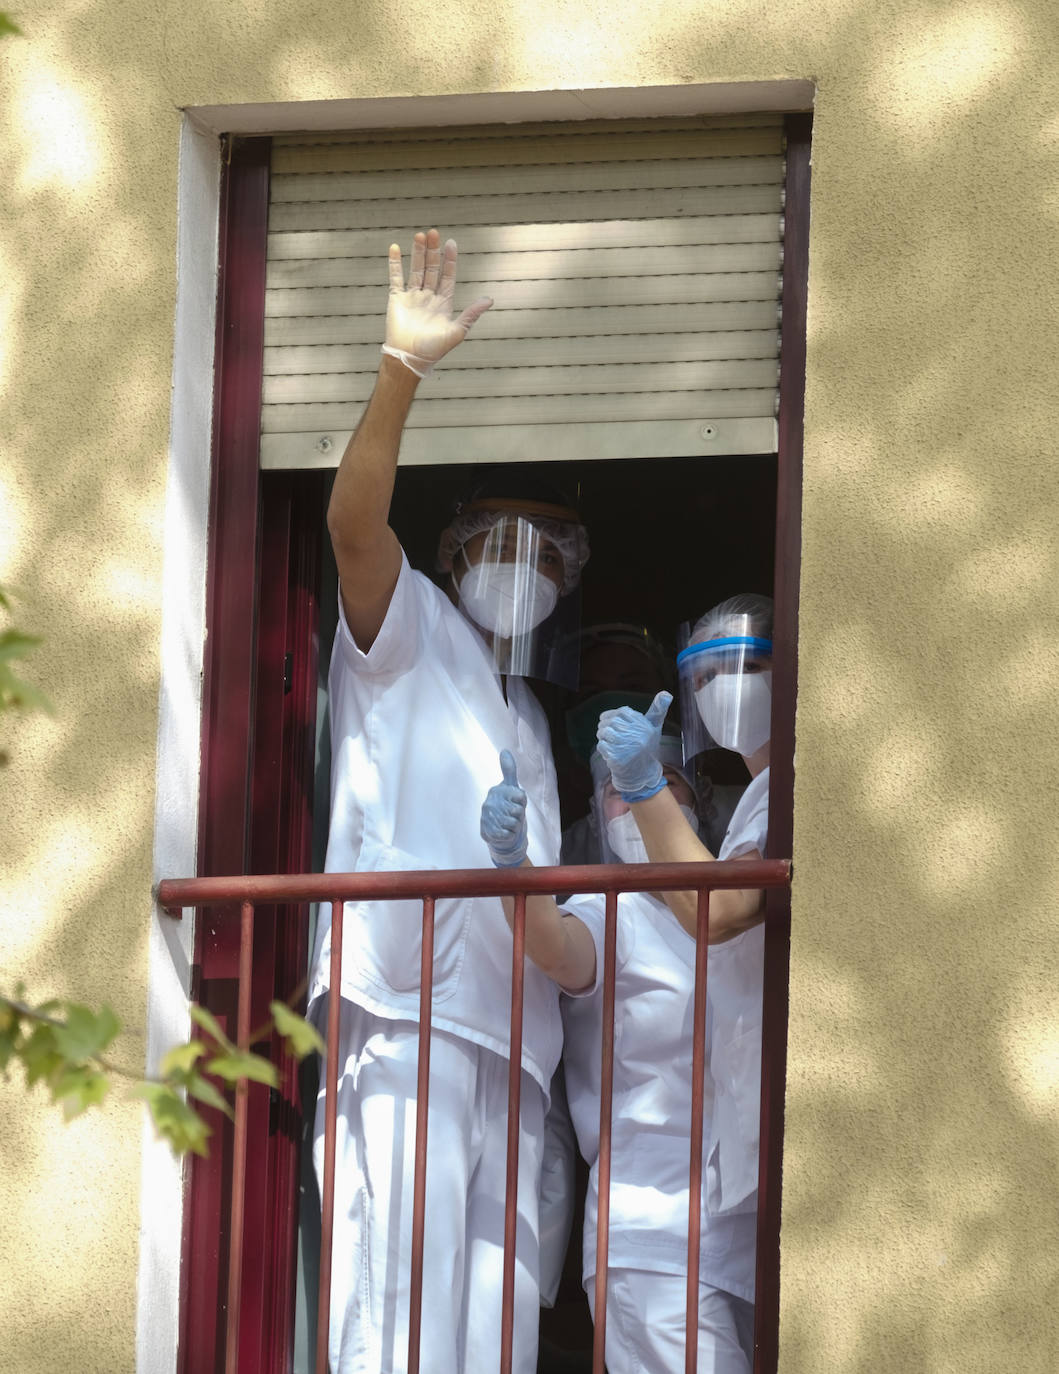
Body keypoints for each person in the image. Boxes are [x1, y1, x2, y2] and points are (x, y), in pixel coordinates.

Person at [307, 228, 589, 1374]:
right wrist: (400, 371)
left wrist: (532, 900)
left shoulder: (532, 728)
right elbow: (349, 527)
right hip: (408, 1023)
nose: (521, 565)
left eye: (548, 554)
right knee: (400, 1327)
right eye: (496, 541)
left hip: (514, 1058)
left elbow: (571, 952)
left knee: (496, 1336)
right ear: (456, 549)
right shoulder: (408, 627)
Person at [479, 704, 766, 1372]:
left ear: (698, 801)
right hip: (650, 1233)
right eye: (618, 787)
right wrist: (511, 867)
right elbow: (554, 949)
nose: (638, 798)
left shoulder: (731, 913)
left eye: (668, 778)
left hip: (741, 1230)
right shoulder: (610, 910)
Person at [593, 593, 775, 1367]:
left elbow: (721, 908)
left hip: (708, 1226)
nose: (726, 690)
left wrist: (643, 793)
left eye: (754, 666)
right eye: (703, 679)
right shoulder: (757, 805)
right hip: (676, 1232)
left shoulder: (785, 787)